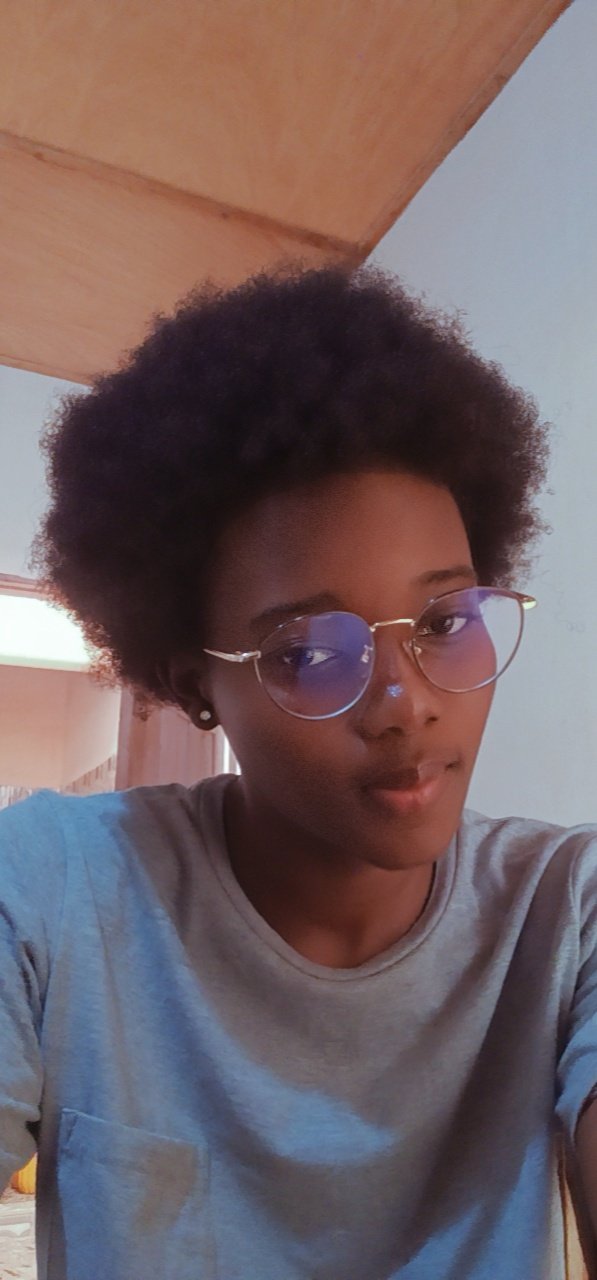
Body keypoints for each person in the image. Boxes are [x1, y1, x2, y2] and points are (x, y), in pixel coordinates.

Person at [1, 264, 596, 1280]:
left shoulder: (565, 911)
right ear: (195, 683)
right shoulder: (55, 890)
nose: (405, 700)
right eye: (313, 651)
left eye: (445, 622)